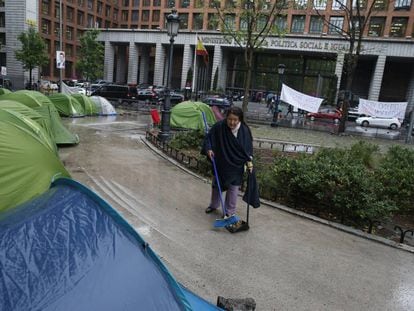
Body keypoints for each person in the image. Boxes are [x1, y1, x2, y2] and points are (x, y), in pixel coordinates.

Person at [201, 106, 254, 231]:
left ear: (239, 119)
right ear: (226, 118)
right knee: (216, 184)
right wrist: (209, 149)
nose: (232, 122)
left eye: (235, 120)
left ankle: (230, 212)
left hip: (236, 164)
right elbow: (209, 138)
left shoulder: (244, 131)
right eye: (230, 119)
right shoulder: (220, 126)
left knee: (233, 188)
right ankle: (214, 205)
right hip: (221, 161)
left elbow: (248, 149)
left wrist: (249, 163)